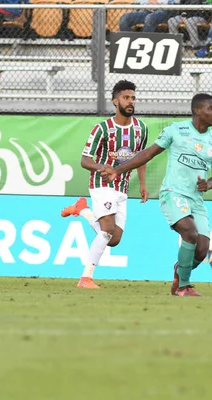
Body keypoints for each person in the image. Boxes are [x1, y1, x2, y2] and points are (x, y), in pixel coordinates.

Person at [101, 93, 212, 297]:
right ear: (197, 111)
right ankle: (184, 286)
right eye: (211, 109)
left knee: (202, 249)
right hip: (173, 193)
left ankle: (180, 271)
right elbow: (148, 153)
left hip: (196, 199)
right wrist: (118, 170)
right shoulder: (176, 130)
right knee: (190, 233)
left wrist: (208, 184)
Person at [61, 80, 149, 289]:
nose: (130, 102)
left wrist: (143, 184)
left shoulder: (141, 129)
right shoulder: (102, 129)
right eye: (126, 98)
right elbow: (85, 160)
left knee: (113, 239)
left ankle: (82, 210)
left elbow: (141, 158)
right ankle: (86, 278)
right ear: (115, 101)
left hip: (122, 188)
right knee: (107, 228)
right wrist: (104, 168)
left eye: (133, 98)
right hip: (102, 184)